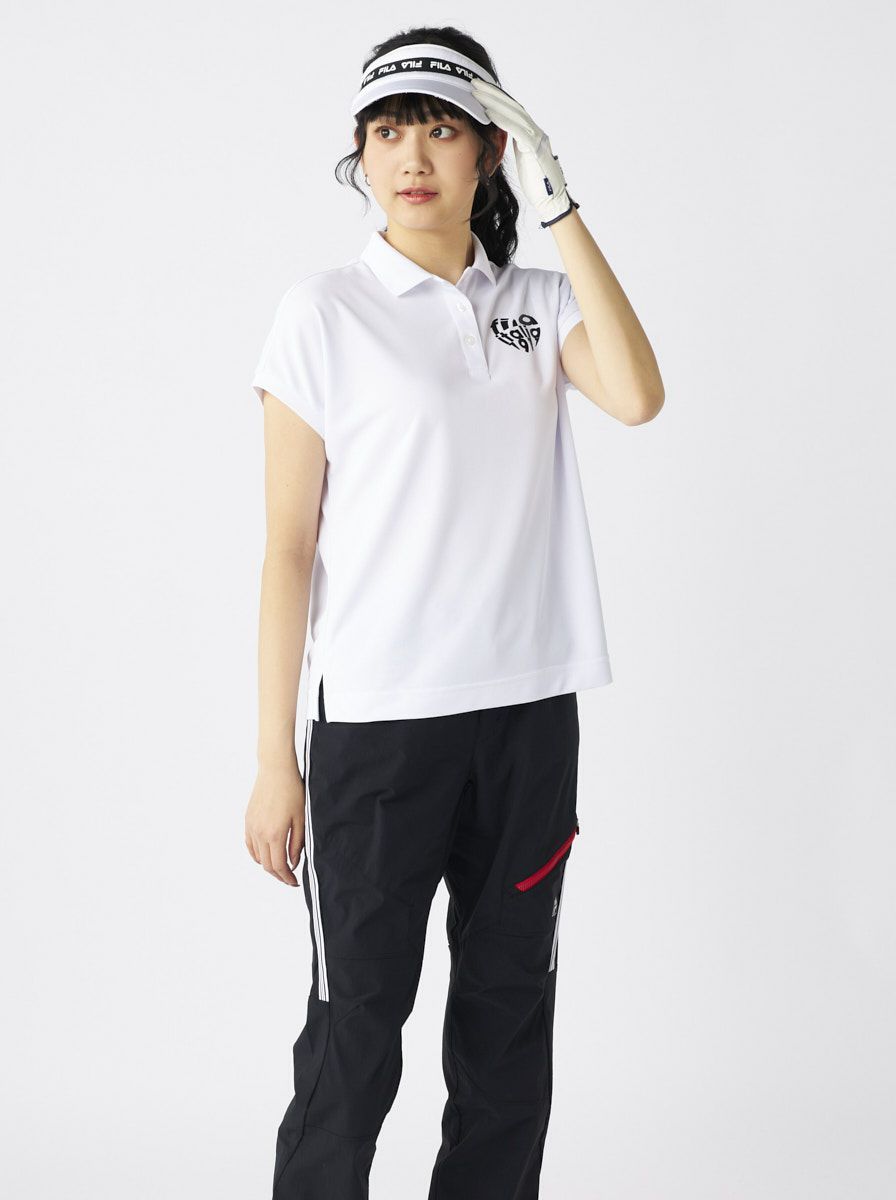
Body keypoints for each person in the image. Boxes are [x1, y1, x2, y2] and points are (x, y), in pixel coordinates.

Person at [246, 26, 664, 1200]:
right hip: (377, 731)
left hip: (527, 720)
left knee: (507, 1017)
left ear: (489, 151)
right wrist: (274, 761)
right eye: (387, 132)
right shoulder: (322, 312)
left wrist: (561, 205)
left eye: (439, 128)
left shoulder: (535, 306)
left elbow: (637, 395)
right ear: (361, 154)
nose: (411, 156)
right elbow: (286, 550)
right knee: (355, 1028)